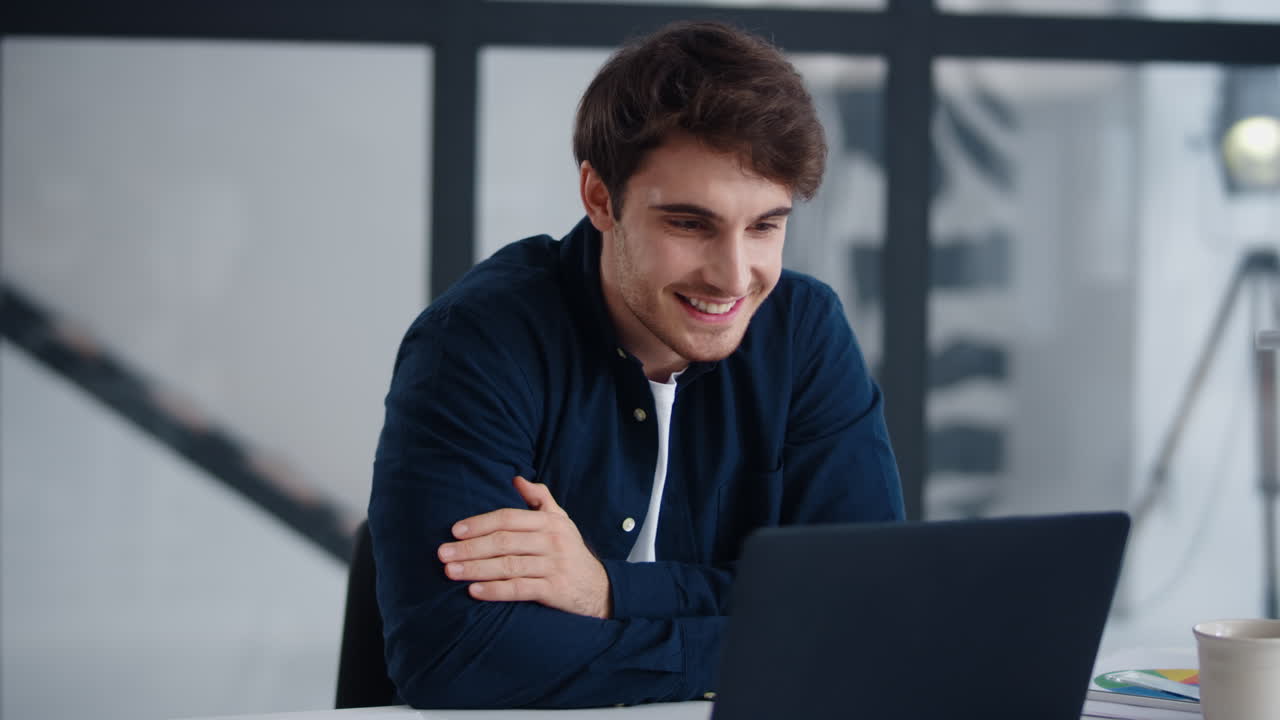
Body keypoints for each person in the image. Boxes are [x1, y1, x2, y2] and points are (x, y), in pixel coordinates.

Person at [369, 19, 904, 710]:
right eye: (690, 224)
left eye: (766, 226)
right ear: (600, 198)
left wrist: (609, 592)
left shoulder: (803, 330)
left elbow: (869, 611)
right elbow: (457, 656)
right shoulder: (476, 345)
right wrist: (763, 636)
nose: (733, 276)